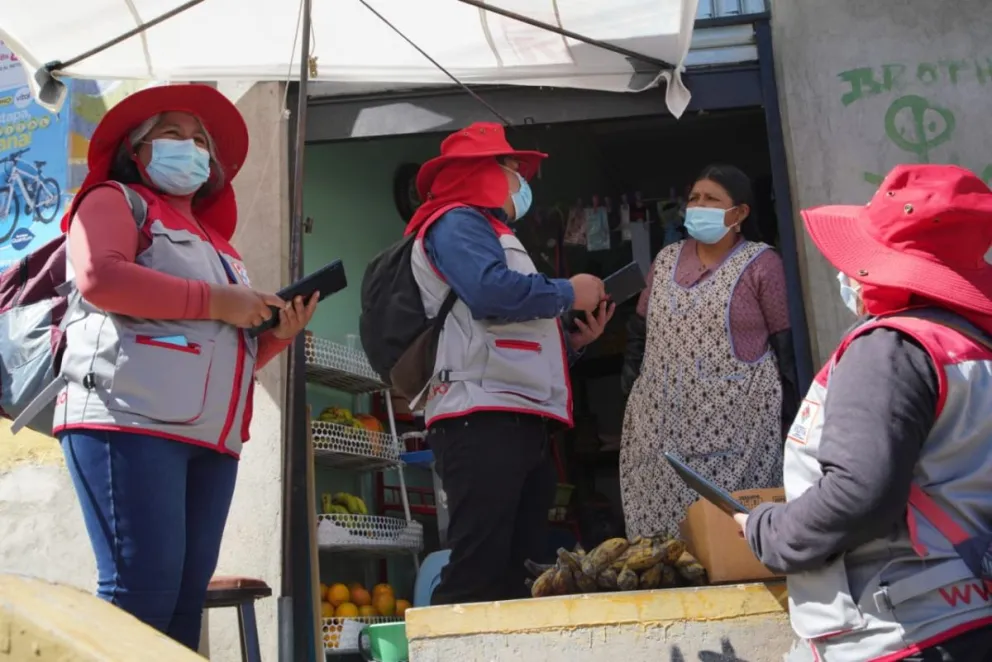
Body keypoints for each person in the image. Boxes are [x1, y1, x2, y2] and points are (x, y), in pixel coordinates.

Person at [56, 84, 317, 650]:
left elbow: (226, 349)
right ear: (136, 149)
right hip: (126, 419)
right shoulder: (110, 199)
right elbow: (100, 277)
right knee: (139, 597)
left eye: (200, 140)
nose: (191, 146)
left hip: (209, 438)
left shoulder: (222, 247)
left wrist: (275, 337)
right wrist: (218, 302)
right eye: (171, 134)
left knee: (180, 605)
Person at [737, 164, 992, 661]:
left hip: (903, 627)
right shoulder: (974, 350)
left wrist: (766, 529)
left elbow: (860, 494)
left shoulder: (889, 349)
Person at [406, 122, 615, 605]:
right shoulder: (455, 221)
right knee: (478, 571)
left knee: (519, 573)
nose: (520, 180)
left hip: (512, 416)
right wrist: (568, 292)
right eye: (510, 168)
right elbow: (489, 293)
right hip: (480, 417)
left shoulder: (493, 232)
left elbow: (507, 327)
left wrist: (572, 341)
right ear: (479, 172)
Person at [619, 164, 797, 539]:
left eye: (711, 199)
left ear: (741, 213)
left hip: (738, 435)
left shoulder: (762, 264)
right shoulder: (667, 258)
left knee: (728, 537)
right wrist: (632, 380)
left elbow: (786, 345)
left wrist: (790, 418)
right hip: (661, 430)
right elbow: (640, 328)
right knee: (662, 545)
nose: (698, 205)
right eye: (694, 198)